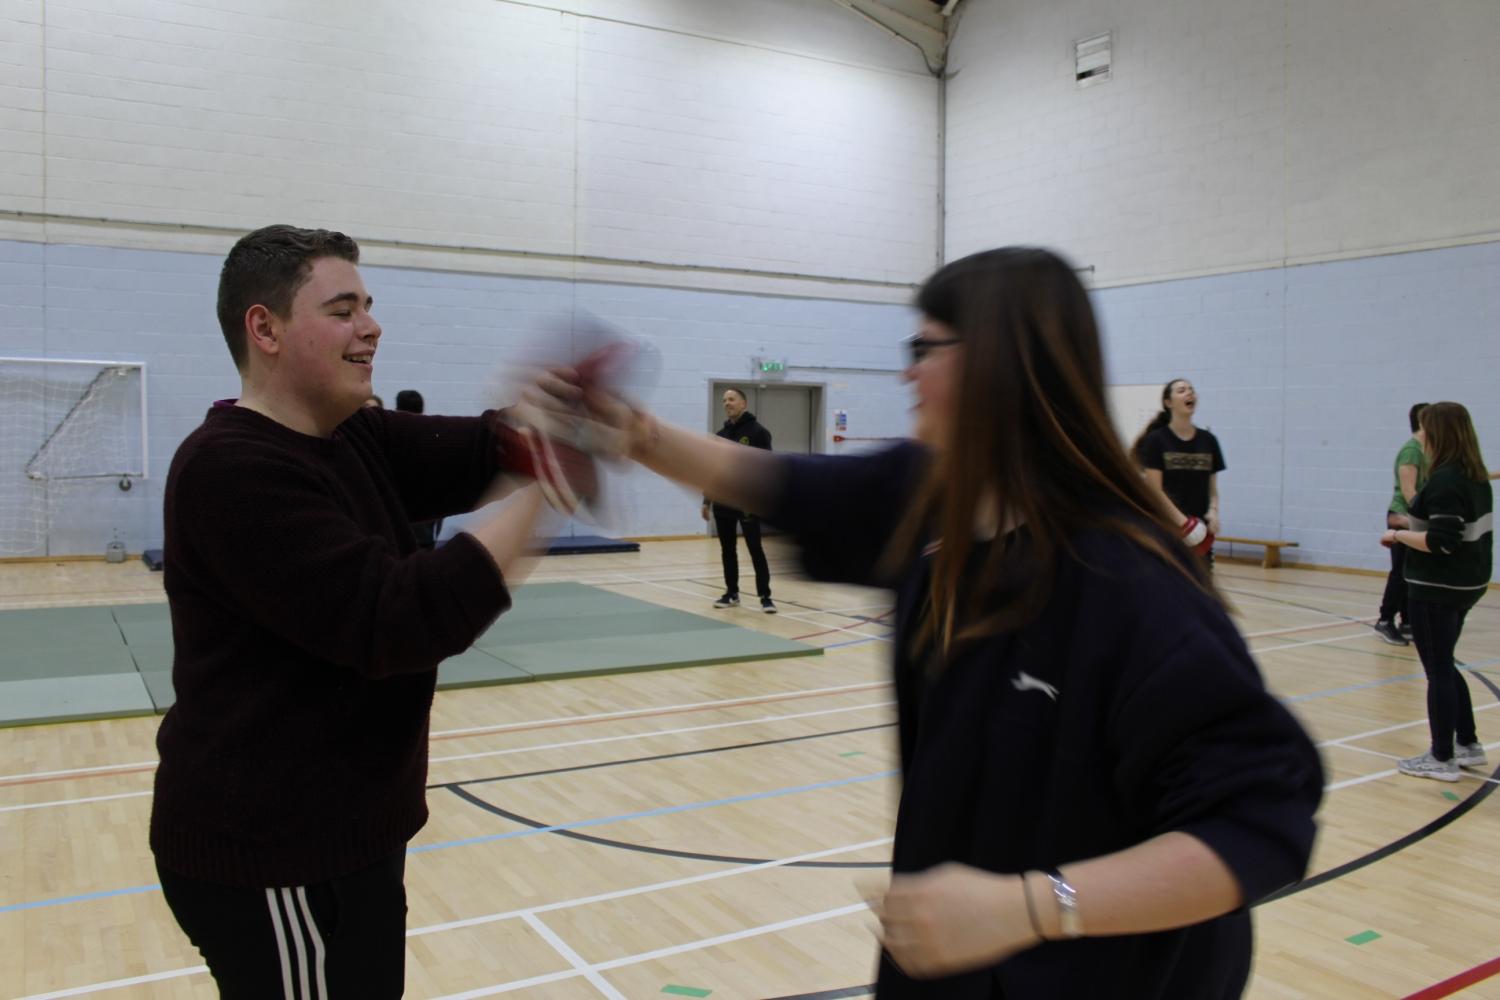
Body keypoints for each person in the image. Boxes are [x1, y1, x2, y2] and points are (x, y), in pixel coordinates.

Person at [582, 247, 1322, 998]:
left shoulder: (1127, 583)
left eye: (924, 349)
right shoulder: (928, 500)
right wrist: (633, 435)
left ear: (1000, 364)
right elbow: (780, 483)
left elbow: (1261, 824)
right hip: (955, 963)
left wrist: (1029, 907)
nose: (907, 372)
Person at [150, 224, 583, 998]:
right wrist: (547, 486)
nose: (372, 326)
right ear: (265, 328)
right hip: (273, 859)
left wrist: (544, 420)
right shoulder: (230, 471)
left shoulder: (352, 435)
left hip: (346, 840)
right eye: (343, 309)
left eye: (368, 306)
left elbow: (482, 448)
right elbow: (399, 620)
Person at [1381, 401, 1493, 782]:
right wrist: (1412, 519)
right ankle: (1468, 743)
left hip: (1437, 587)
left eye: (1427, 430)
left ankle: (1441, 756)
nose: (1422, 438)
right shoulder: (1474, 476)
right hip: (1467, 584)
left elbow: (1442, 542)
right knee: (1446, 661)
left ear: (1439, 434)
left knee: (1438, 668)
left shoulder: (1446, 480)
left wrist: (1397, 533)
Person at [1133, 379, 1226, 567]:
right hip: (1168, 532)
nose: (1190, 393)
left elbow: (1213, 489)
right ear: (1168, 403)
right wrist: (1184, 524)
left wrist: (1213, 512)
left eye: (1192, 389)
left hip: (1200, 535)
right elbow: (1155, 490)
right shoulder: (1156, 441)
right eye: (1182, 390)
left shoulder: (1209, 440)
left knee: (1202, 592)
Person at [701, 387, 776, 613]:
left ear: (743, 403)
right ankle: (731, 593)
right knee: (727, 549)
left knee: (755, 548)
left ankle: (765, 596)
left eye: (731, 399)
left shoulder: (759, 433)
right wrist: (707, 501)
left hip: (748, 504)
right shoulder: (720, 436)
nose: (727, 403)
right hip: (724, 503)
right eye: (724, 400)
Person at [1373, 403, 1429, 645]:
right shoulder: (1412, 451)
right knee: (1401, 571)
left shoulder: (1428, 450)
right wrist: (1422, 521)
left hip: (1415, 517)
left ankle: (1407, 621)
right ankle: (1385, 620)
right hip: (1403, 517)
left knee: (1412, 572)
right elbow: (1408, 491)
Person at [394, 388, 442, 549]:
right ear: (422, 409)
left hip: (403, 519)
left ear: (397, 409)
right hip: (425, 517)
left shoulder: (390, 437)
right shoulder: (433, 436)